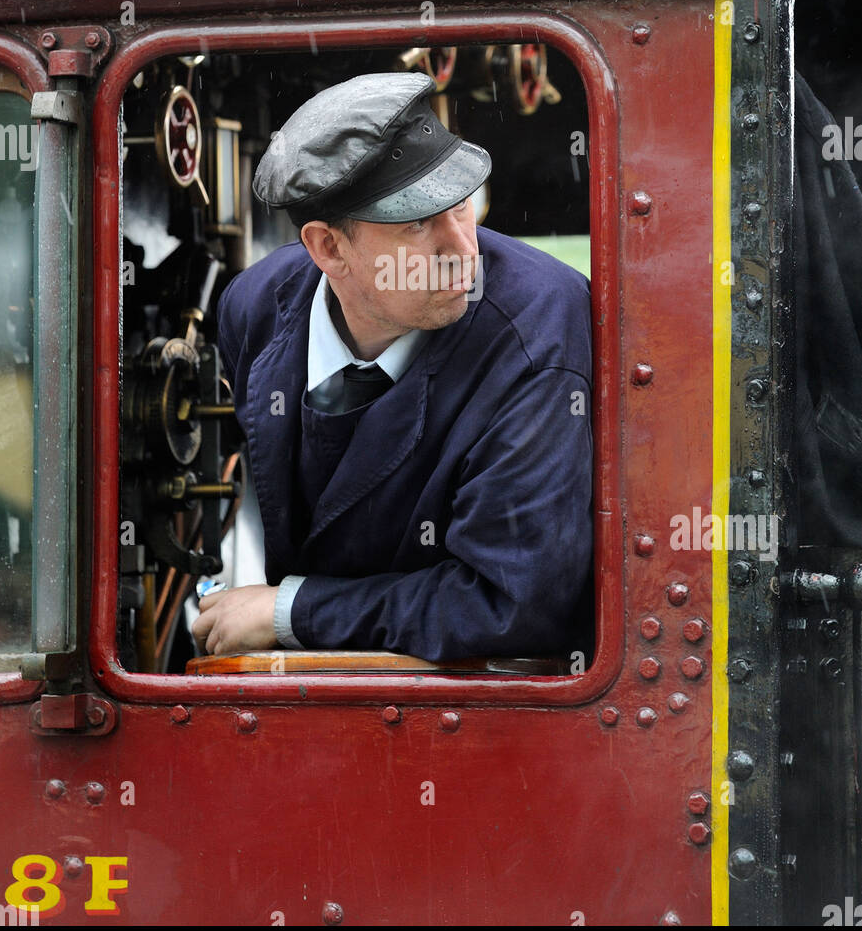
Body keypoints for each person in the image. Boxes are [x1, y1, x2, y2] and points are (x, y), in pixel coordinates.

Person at [192, 71, 593, 662]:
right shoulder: (254, 307)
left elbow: (510, 604)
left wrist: (289, 611)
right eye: (416, 223)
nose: (463, 249)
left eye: (461, 205)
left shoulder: (538, 330)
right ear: (328, 248)